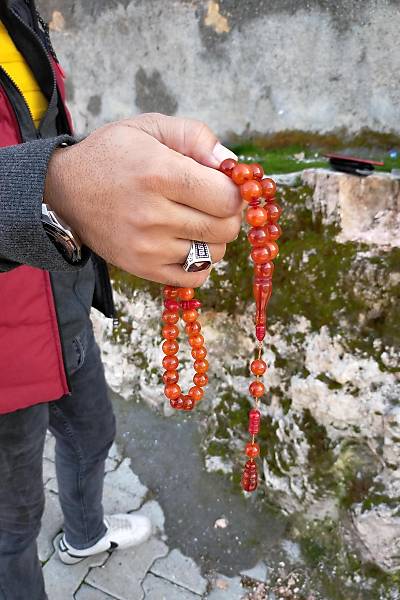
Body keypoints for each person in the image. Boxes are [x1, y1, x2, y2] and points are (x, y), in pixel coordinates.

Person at [0, 0, 242, 598]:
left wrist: (103, 171)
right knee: (12, 523)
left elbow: (39, 132)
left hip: (64, 304)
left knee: (93, 435)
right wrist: (49, 190)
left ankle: (85, 534)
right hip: (5, 361)